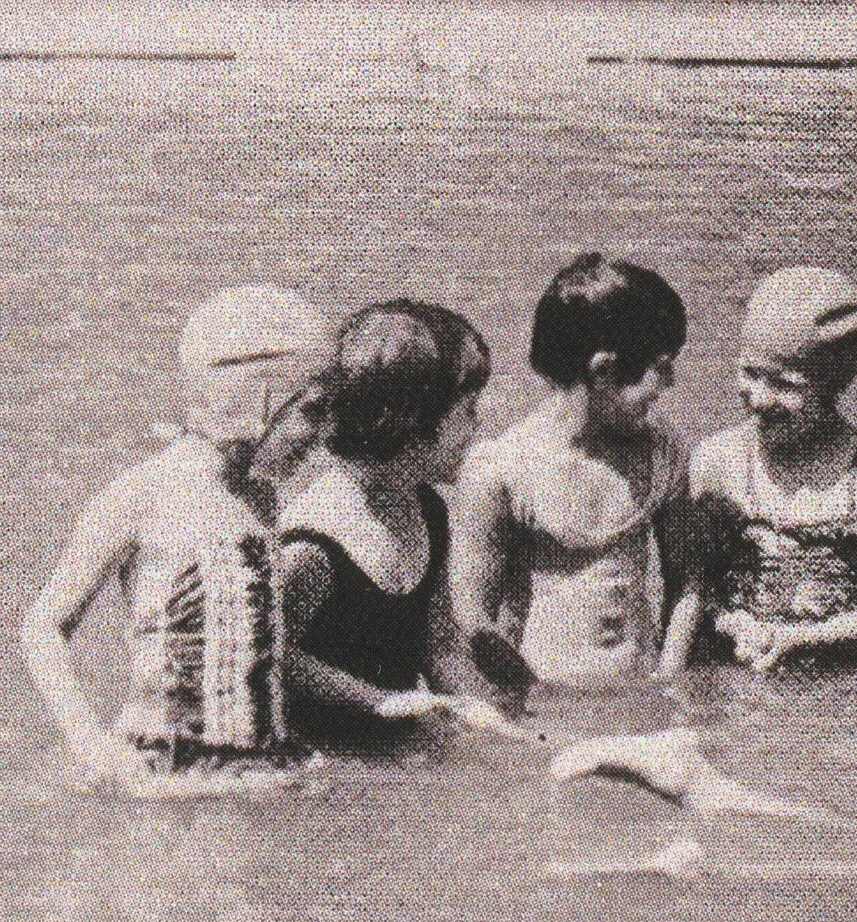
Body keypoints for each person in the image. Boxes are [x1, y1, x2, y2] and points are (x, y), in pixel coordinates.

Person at [23, 287, 331, 782]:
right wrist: (89, 741)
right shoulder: (140, 495)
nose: (322, 434)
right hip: (165, 766)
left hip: (267, 765)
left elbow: (263, 647)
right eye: (312, 411)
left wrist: (381, 701)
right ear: (253, 400)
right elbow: (42, 629)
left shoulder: (266, 502)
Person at [448, 254, 689, 700]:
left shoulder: (661, 451)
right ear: (603, 371)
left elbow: (687, 585)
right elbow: (470, 620)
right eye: (662, 365)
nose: (671, 381)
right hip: (543, 688)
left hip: (641, 687)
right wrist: (534, 698)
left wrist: (666, 686)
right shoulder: (501, 469)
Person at [278, 300, 514, 747]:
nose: (476, 428)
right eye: (466, 412)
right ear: (412, 419)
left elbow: (441, 643)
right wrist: (375, 700)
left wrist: (484, 716)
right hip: (320, 755)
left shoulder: (428, 509)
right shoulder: (314, 541)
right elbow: (267, 652)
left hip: (392, 740)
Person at [666, 267, 857, 671]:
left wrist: (799, 638)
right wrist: (728, 623)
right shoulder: (717, 460)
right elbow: (695, 586)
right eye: (750, 373)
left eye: (785, 385)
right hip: (740, 669)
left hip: (846, 680)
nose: (761, 398)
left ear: (832, 387)